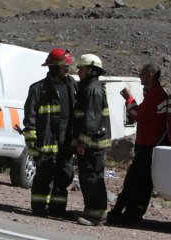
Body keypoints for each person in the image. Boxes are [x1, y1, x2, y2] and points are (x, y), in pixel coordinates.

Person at [107, 63, 168, 224]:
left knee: (133, 180)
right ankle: (134, 213)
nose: (139, 76)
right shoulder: (156, 94)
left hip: (148, 145)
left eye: (141, 73)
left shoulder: (156, 95)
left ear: (150, 74)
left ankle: (119, 212)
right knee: (144, 182)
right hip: (151, 145)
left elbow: (138, 115)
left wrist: (129, 98)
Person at [23, 48, 77, 217]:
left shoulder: (73, 87)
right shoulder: (38, 89)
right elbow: (29, 117)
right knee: (44, 176)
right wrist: (32, 141)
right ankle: (39, 208)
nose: (67, 70)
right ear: (54, 67)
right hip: (46, 142)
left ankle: (58, 210)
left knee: (64, 176)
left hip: (66, 142)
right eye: (64, 67)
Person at [73, 54, 111, 226]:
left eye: (81, 68)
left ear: (91, 70)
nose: (78, 71)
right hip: (91, 142)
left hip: (92, 143)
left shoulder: (93, 89)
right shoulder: (88, 86)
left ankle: (97, 216)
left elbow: (91, 119)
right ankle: (91, 212)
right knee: (88, 177)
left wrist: (82, 142)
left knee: (92, 178)